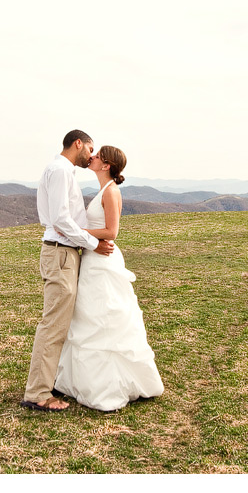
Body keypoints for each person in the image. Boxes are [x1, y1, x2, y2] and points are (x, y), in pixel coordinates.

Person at [54, 145, 164, 411]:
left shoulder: (111, 191)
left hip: (104, 262)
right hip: (93, 260)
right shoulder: (103, 189)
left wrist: (77, 231)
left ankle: (110, 385)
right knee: (88, 316)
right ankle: (80, 380)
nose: (91, 158)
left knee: (104, 316)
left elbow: (112, 231)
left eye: (97, 156)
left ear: (106, 165)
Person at [21, 130, 115, 412]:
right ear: (78, 144)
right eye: (90, 148)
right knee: (54, 324)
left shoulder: (60, 170)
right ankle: (38, 393)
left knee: (59, 322)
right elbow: (61, 220)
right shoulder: (61, 171)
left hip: (63, 252)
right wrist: (92, 243)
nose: (92, 154)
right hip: (60, 252)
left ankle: (47, 383)